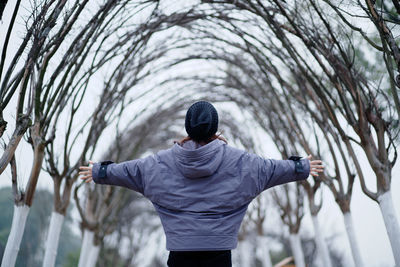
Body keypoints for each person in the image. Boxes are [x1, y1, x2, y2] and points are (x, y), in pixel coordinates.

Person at [79, 101, 324, 267]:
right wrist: (301, 168)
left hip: (179, 257)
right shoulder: (243, 163)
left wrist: (100, 171)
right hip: (219, 258)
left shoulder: (157, 164)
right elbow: (273, 169)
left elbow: (128, 172)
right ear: (215, 127)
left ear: (188, 127)